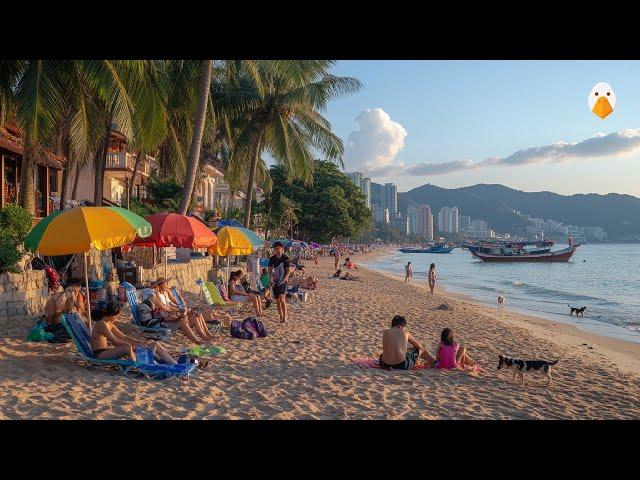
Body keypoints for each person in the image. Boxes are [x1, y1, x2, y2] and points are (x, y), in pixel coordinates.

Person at [91, 301, 177, 365]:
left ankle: (173, 363)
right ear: (113, 314)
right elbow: (115, 341)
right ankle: (137, 366)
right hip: (100, 354)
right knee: (127, 347)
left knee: (153, 343)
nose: (118, 318)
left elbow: (123, 336)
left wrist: (139, 342)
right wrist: (134, 345)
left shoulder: (109, 323)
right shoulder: (101, 324)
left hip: (106, 351)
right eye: (118, 316)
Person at [149, 279, 216, 345]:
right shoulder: (156, 296)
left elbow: (172, 304)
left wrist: (180, 307)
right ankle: (199, 340)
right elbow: (165, 308)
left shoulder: (165, 294)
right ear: (160, 285)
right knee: (190, 317)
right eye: (165, 284)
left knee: (197, 315)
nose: (167, 285)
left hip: (173, 314)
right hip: (168, 317)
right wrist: (178, 309)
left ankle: (206, 335)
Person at [269, 241, 293, 323]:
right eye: (276, 249)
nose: (277, 250)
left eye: (279, 248)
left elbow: (288, 271)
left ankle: (285, 316)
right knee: (277, 300)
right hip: (275, 282)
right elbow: (270, 270)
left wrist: (284, 279)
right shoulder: (272, 258)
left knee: (282, 299)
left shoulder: (285, 258)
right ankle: (281, 316)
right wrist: (270, 279)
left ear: (282, 249)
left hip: (283, 281)